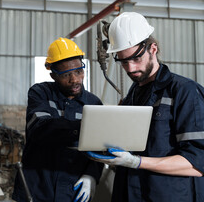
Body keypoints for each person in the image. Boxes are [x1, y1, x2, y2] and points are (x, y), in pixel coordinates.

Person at [88, 12, 204, 201]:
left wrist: (136, 162)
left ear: (153, 49)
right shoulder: (132, 96)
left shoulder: (185, 92)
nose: (131, 68)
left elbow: (198, 163)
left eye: (136, 58)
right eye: (124, 61)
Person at [12, 37, 103, 202]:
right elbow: (40, 129)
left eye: (78, 71)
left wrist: (91, 175)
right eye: (66, 74)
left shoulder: (93, 103)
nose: (75, 79)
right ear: (53, 74)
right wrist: (84, 126)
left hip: (73, 189)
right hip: (37, 189)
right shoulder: (40, 93)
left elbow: (98, 148)